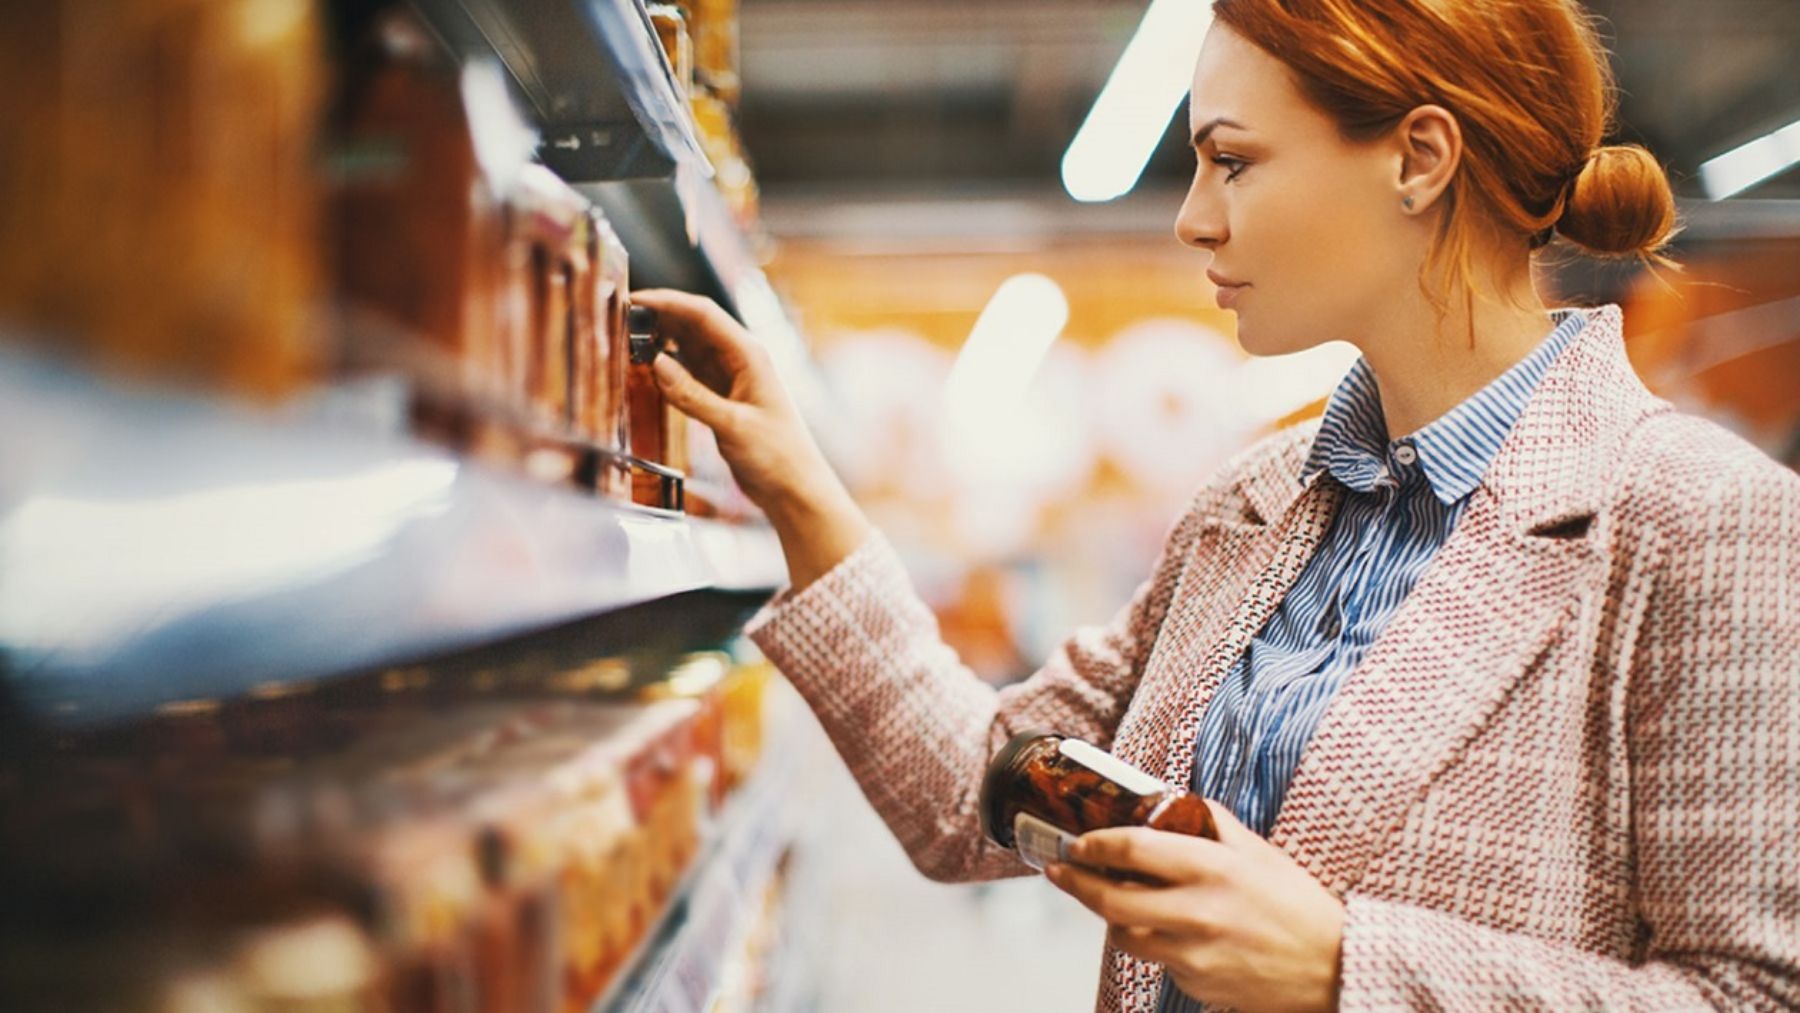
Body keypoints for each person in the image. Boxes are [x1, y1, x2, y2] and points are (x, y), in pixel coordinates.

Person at [631, 0, 1800, 1008]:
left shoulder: (1698, 523)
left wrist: (1345, 969)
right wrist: (793, 480)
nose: (1193, 215)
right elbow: (974, 787)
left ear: (1419, 158)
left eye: (1232, 161)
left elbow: (1755, 988)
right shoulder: (1250, 511)